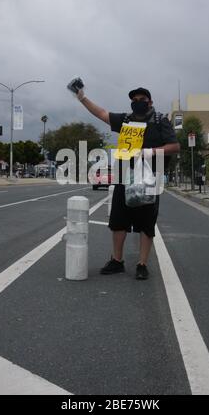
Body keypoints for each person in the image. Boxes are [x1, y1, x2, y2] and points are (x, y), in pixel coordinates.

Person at [76, 86, 180, 280]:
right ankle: (117, 260)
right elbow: (101, 113)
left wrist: (151, 152)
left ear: (150, 102)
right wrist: (82, 98)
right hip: (124, 177)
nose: (137, 101)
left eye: (142, 98)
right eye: (134, 99)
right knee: (118, 220)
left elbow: (175, 146)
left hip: (149, 179)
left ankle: (142, 264)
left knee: (147, 223)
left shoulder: (160, 120)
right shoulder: (126, 120)